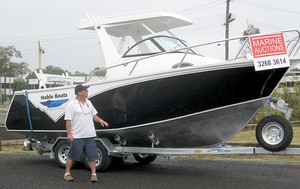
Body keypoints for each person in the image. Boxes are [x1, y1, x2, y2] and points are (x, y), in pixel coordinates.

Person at [63, 84, 109, 182]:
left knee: (92, 156)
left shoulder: (89, 103)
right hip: (77, 136)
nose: (87, 92)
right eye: (86, 90)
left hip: (89, 135)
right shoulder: (71, 105)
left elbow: (94, 115)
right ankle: (67, 173)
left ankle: (93, 174)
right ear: (79, 92)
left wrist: (101, 121)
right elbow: (68, 120)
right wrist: (69, 134)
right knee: (72, 155)